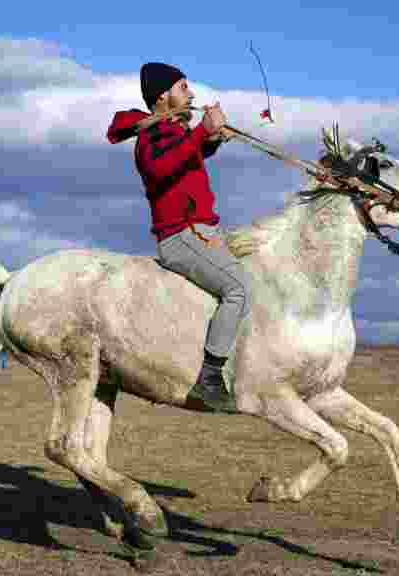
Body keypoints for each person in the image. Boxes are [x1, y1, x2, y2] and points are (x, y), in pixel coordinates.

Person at [108, 62, 251, 413]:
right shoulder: (152, 135)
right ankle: (210, 377)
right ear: (163, 96)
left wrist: (213, 138)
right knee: (239, 289)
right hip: (181, 236)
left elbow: (188, 157)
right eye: (184, 87)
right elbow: (161, 167)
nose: (192, 94)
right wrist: (203, 130)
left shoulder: (174, 132)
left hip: (202, 233)